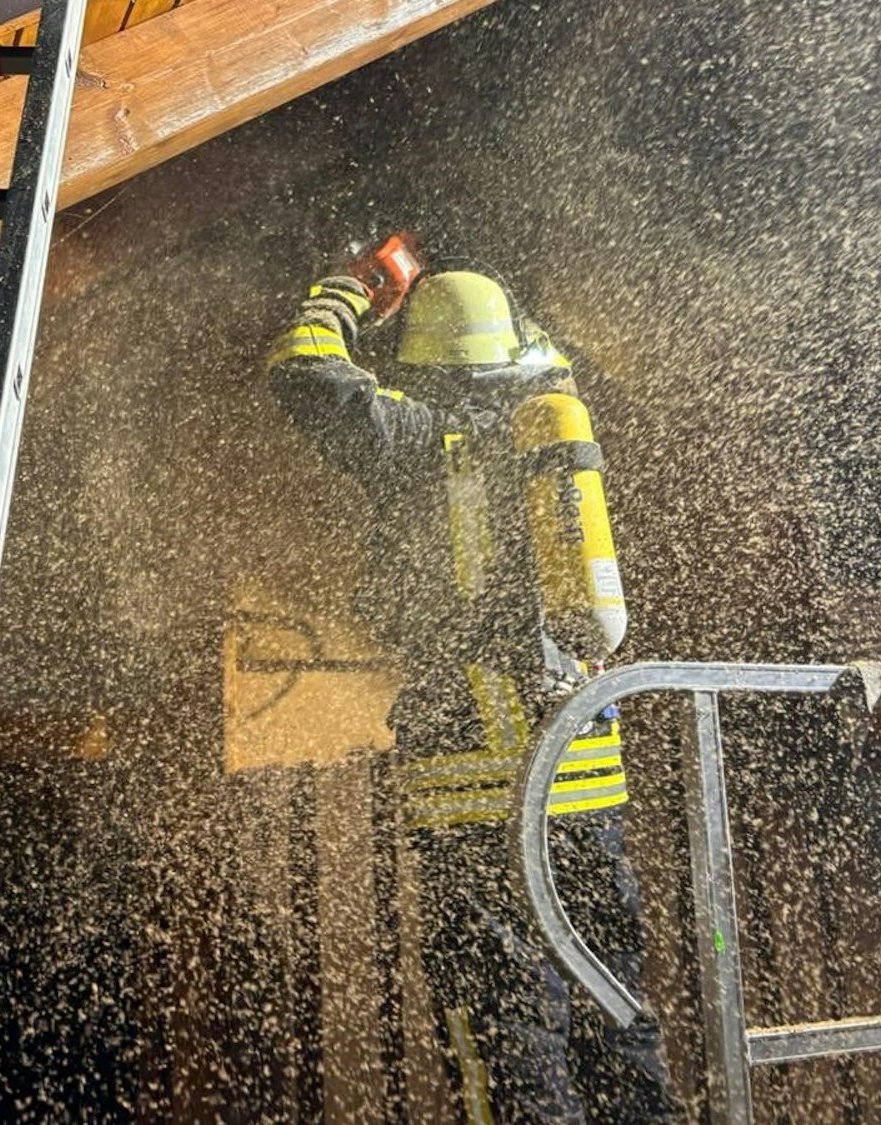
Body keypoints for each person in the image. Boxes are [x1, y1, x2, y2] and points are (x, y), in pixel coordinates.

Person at [264, 260, 682, 1124]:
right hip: (583, 766)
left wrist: (352, 287)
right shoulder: (549, 441)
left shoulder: (413, 439)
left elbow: (302, 367)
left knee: (505, 1029)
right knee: (614, 1012)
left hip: (471, 782)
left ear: (422, 368)